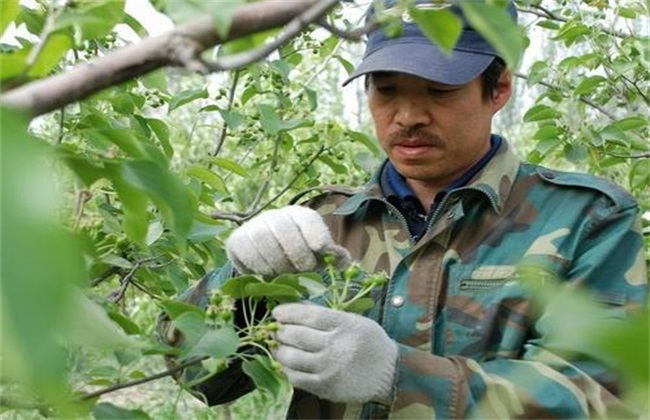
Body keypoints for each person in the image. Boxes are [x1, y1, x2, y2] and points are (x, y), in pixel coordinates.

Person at [159, 0, 648, 418]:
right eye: (387, 89)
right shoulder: (326, 222)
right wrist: (239, 284)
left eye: (440, 90)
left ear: (498, 89)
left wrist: (402, 375)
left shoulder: (585, 220)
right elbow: (198, 377)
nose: (409, 116)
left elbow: (601, 397)